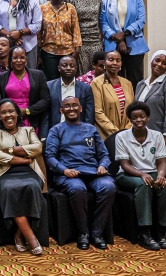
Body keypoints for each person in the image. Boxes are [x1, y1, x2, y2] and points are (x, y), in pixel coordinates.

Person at [44, 96, 115, 250]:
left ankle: (96, 233)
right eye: (67, 106)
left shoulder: (91, 129)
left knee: (108, 186)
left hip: (93, 173)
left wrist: (103, 165)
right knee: (77, 189)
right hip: (68, 174)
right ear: (61, 110)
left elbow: (104, 155)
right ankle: (83, 233)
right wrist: (64, 170)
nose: (71, 109)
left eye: (75, 105)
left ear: (81, 108)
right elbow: (49, 157)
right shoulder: (56, 130)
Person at [0, 99, 46, 255]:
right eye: (4, 112)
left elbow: (38, 148)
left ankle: (19, 234)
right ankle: (30, 236)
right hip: (3, 174)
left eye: (11, 111)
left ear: (17, 113)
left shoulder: (28, 130)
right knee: (10, 189)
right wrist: (25, 159)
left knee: (32, 187)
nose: (8, 115)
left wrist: (12, 150)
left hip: (30, 173)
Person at [115, 101, 166, 251]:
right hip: (127, 174)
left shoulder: (157, 136)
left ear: (148, 117)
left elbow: (162, 161)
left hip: (152, 172)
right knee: (143, 184)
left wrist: (161, 175)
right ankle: (144, 233)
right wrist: (142, 174)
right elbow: (125, 164)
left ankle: (162, 232)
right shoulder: (122, 137)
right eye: (134, 118)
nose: (138, 120)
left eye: (142, 117)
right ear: (130, 120)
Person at [134, 50, 166, 182]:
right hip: (143, 138)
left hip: (162, 137)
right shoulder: (141, 84)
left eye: (164, 63)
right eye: (157, 60)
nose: (159, 64)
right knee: (149, 175)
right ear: (151, 61)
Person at [100, 0, 148, 82]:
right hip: (112, 43)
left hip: (134, 44)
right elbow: (103, 22)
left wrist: (124, 34)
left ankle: (135, 100)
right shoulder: (105, 1)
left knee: (135, 79)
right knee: (114, 79)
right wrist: (118, 39)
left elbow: (141, 20)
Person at [0, 46, 51, 132]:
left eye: (22, 57)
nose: (19, 61)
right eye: (15, 58)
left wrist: (27, 111)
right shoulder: (1, 77)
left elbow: (45, 99)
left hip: (33, 117)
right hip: (9, 118)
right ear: (10, 59)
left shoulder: (38, 75)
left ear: (26, 59)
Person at [0, 0, 42, 70]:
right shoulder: (0, 3)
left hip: (28, 45)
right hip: (6, 46)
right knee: (7, 74)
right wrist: (11, 36)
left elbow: (37, 25)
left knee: (29, 74)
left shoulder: (33, 3)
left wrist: (19, 33)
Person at [38, 0, 82, 81]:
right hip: (49, 52)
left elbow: (76, 29)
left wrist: (77, 50)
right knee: (52, 80)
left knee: (68, 80)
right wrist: (38, 53)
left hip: (68, 51)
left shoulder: (70, 8)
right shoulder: (42, 8)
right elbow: (39, 32)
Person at [44, 55, 95, 139]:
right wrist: (44, 136)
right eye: (64, 65)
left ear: (76, 69)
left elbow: (89, 115)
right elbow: (45, 114)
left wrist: (87, 134)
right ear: (59, 68)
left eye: (72, 66)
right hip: (55, 133)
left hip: (79, 133)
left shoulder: (86, 88)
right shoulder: (49, 86)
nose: (68, 68)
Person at [91, 51, 134, 139]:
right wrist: (116, 133)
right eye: (111, 60)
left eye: (118, 60)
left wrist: (126, 131)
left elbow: (132, 110)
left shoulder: (127, 83)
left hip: (127, 135)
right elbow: (97, 112)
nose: (114, 63)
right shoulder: (96, 83)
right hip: (106, 135)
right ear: (104, 63)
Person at [68, 0, 103, 75]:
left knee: (96, 71)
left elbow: (100, 20)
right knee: (82, 74)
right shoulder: (72, 1)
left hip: (95, 41)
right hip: (80, 42)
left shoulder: (98, 1)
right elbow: (71, 23)